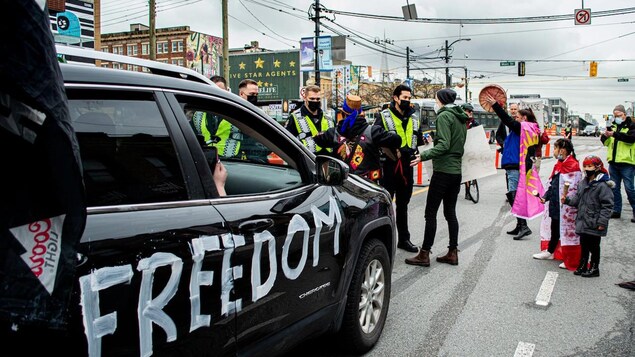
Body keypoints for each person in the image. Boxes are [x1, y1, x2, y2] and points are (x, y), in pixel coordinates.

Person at [405, 89, 468, 267]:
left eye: (436, 98)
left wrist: (422, 156)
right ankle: (452, 252)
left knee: (430, 213)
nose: (435, 102)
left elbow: (444, 145)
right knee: (450, 212)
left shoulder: (443, 116)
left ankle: (424, 254)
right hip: (456, 172)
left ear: (440, 100)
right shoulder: (461, 117)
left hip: (443, 171)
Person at [374, 84, 424, 252]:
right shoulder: (384, 116)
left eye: (409, 98)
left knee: (403, 205)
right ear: (395, 98)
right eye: (404, 98)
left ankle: (404, 239)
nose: (407, 101)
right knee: (386, 205)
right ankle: (384, 241)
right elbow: (376, 138)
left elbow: (418, 140)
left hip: (407, 167)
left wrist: (417, 153)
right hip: (389, 166)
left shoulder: (414, 118)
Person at [313, 94, 401, 183]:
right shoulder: (374, 132)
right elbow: (397, 140)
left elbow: (317, 139)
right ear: (361, 113)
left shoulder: (333, 133)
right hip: (367, 185)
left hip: (342, 185)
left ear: (343, 113)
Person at [486, 96, 539, 240]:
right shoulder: (525, 128)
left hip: (515, 164)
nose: (517, 118)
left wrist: (496, 105)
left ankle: (523, 226)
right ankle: (519, 224)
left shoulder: (522, 127)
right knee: (513, 194)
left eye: (519, 116)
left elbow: (506, 119)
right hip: (514, 163)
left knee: (514, 195)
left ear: (525, 119)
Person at [534, 138, 582, 270]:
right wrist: (545, 197)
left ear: (562, 150)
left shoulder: (572, 166)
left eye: (555, 148)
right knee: (555, 228)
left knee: (567, 231)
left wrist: (566, 201)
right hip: (555, 203)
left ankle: (571, 257)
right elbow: (553, 185)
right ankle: (550, 251)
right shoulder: (559, 165)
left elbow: (574, 189)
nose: (554, 151)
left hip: (566, 206)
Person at [562, 155, 614, 277]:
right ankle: (583, 265)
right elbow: (577, 200)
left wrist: (602, 222)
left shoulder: (603, 185)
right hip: (582, 220)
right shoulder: (583, 183)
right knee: (584, 245)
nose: (587, 168)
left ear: (597, 167)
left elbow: (607, 206)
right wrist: (567, 200)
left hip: (594, 221)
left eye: (590, 166)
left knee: (594, 246)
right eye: (585, 166)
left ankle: (595, 267)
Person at [600, 104, 635, 222]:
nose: (617, 118)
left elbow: (630, 139)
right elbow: (606, 142)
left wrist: (614, 134)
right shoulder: (613, 126)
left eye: (619, 115)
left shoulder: (631, 126)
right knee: (614, 188)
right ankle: (616, 210)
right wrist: (605, 136)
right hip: (613, 162)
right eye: (615, 116)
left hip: (627, 162)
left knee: (629, 188)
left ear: (625, 114)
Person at [285, 85, 334, 155]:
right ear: (305, 98)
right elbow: (287, 142)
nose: (315, 101)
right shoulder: (294, 118)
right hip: (306, 161)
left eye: (318, 99)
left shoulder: (328, 118)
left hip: (328, 161)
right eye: (312, 99)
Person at [461, 103, 480, 200]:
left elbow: (479, 135)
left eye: (471, 111)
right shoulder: (459, 122)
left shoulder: (474, 123)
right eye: (468, 111)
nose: (470, 113)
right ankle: (466, 189)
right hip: (461, 149)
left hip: (471, 149)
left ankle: (467, 190)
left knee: (470, 171)